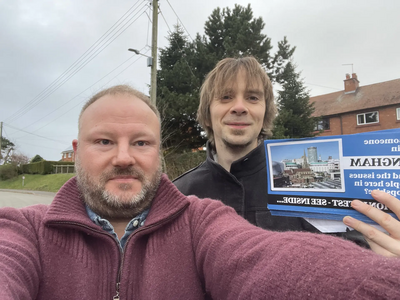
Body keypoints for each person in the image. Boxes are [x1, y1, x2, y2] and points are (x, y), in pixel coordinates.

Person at [1, 85, 400, 300]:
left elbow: (266, 260)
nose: (123, 158)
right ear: (75, 151)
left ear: (159, 152)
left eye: (141, 143)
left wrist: (382, 279)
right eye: (103, 141)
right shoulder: (26, 230)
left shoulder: (199, 220)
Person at [173, 57, 364, 246]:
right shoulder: (179, 196)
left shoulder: (311, 187)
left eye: (252, 98)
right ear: (207, 114)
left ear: (265, 113)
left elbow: (355, 257)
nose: (239, 107)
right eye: (226, 97)